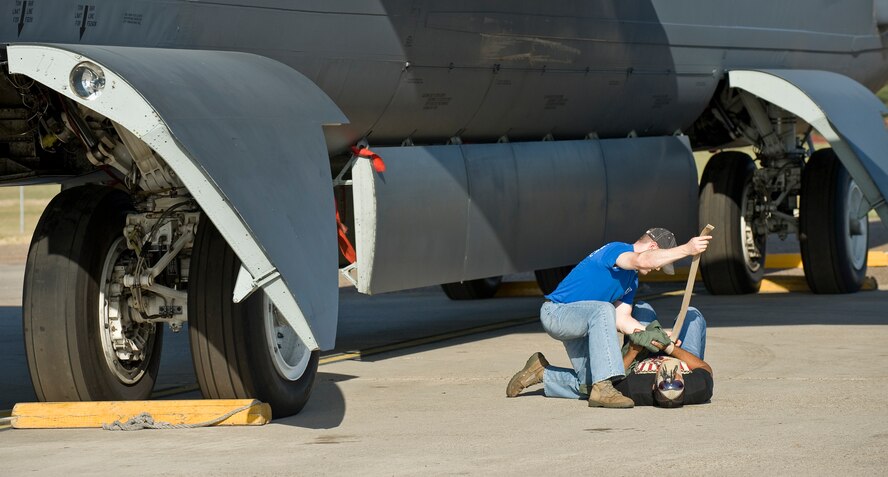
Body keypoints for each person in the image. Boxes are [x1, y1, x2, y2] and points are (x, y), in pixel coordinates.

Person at [506, 227, 711, 408]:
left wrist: (655, 337)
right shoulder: (618, 251)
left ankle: (541, 372)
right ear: (653, 246)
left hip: (586, 322)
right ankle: (604, 389)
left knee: (589, 384)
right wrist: (687, 249)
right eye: (660, 262)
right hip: (558, 314)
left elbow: (623, 319)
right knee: (604, 310)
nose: (657, 269)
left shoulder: (631, 280)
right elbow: (642, 260)